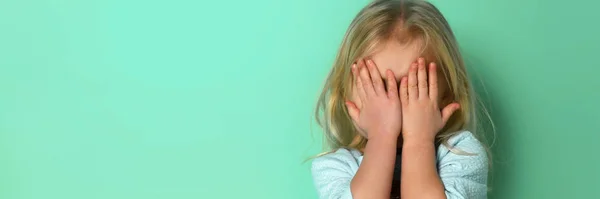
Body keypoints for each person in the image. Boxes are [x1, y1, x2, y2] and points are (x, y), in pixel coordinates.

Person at [311, 0, 490, 198]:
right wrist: (381, 136)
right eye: (377, 85)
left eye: (412, 86)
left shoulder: (462, 154)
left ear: (446, 93)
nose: (392, 103)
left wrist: (419, 140)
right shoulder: (334, 167)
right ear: (346, 91)